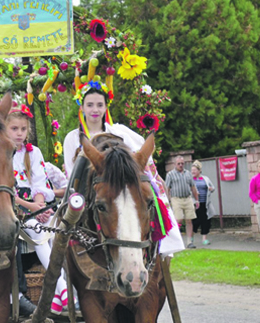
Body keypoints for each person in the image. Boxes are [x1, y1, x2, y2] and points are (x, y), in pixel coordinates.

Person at [63, 82, 184, 255]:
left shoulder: (119, 132)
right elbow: (71, 171)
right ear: (81, 107)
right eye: (89, 105)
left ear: (106, 108)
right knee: (60, 224)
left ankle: (156, 246)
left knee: (147, 200)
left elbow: (142, 151)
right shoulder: (73, 138)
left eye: (99, 105)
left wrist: (156, 178)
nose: (94, 109)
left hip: (117, 188)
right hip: (86, 188)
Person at [6, 104, 67, 315]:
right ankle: (60, 286)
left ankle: (62, 295)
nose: (19, 133)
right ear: (5, 129)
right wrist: (32, 207)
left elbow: (40, 183)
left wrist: (40, 205)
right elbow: (8, 192)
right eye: (14, 129)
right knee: (39, 233)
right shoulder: (3, 153)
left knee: (57, 229)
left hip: (35, 206)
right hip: (16, 210)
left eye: (23, 129)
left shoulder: (33, 153)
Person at [165, 156, 200, 249]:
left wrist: (196, 200)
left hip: (188, 198)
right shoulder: (170, 174)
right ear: (175, 164)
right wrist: (167, 201)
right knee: (178, 220)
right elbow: (167, 188)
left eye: (182, 163)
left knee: (189, 220)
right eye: (179, 163)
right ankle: (176, 241)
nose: (181, 165)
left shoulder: (188, 174)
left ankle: (189, 242)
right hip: (176, 199)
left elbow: (193, 187)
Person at [191, 160, 217, 246]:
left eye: (195, 170)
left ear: (199, 171)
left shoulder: (205, 178)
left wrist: (211, 189)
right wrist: (194, 193)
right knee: (194, 221)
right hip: (195, 204)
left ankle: (204, 239)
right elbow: (187, 190)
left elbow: (212, 187)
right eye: (192, 170)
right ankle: (191, 239)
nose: (193, 172)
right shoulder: (190, 180)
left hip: (205, 203)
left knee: (205, 221)